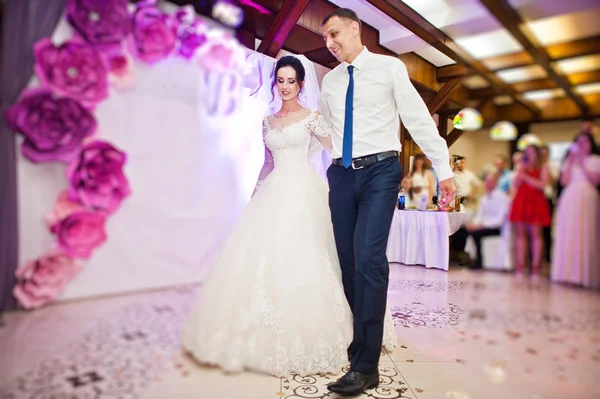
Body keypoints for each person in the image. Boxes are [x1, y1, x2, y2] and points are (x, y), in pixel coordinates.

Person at [181, 55, 396, 378]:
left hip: (306, 190)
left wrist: (358, 181)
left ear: (301, 84)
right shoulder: (267, 121)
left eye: (290, 81)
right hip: (273, 191)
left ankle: (356, 331)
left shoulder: (312, 117)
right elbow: (268, 162)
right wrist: (255, 190)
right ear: (274, 84)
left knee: (319, 257)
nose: (285, 87)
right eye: (280, 81)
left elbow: (339, 151)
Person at [320, 8, 456, 396]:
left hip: (381, 171)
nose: (330, 43)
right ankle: (360, 341)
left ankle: (366, 366)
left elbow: (416, 117)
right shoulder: (330, 82)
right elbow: (332, 130)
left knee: (369, 258)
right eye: (325, 39)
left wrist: (442, 167)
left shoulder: (389, 68)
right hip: (341, 174)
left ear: (354, 28)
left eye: (334, 34)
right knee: (348, 263)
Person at [551, 132, 600, 289]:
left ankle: (583, 275)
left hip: (587, 197)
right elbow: (564, 181)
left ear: (591, 144)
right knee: (568, 234)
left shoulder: (595, 160)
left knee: (585, 234)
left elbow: (595, 180)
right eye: (579, 141)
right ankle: (565, 274)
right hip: (570, 197)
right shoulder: (570, 160)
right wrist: (572, 162)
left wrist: (582, 162)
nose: (582, 144)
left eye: (585, 141)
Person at [509, 145, 551, 280]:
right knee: (520, 236)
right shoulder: (522, 167)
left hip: (536, 202)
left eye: (532, 152)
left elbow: (543, 185)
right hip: (521, 200)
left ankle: (536, 269)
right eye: (527, 153)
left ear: (537, 154)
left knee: (536, 235)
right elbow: (516, 184)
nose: (530, 155)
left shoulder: (543, 167)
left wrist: (526, 177)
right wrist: (520, 171)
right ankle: (520, 267)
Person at [466, 173, 510, 269]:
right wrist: (474, 224)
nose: (488, 184)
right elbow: (480, 215)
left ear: (496, 183)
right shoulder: (484, 198)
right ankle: (471, 260)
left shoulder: (502, 197)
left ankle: (479, 262)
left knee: (476, 233)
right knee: (466, 230)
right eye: (486, 181)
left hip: (497, 228)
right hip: (486, 226)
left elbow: (500, 220)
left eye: (490, 181)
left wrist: (482, 225)